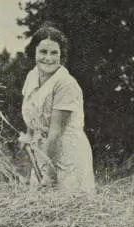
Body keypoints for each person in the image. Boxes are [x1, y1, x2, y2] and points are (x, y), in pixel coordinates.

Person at [20, 25, 95, 193]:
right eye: (43, 52)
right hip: (43, 153)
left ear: (62, 56)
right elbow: (33, 116)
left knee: (67, 208)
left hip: (66, 154)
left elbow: (55, 134)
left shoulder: (65, 84)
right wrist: (29, 136)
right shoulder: (32, 76)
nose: (48, 58)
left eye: (54, 53)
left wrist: (49, 173)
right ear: (34, 52)